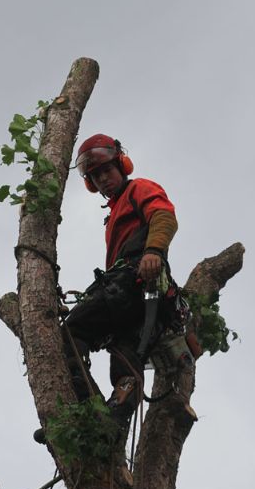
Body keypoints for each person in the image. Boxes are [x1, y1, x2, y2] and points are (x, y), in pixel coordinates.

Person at [61, 133, 179, 423]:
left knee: (70, 333)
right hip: (133, 296)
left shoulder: (138, 188)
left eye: (107, 170)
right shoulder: (113, 213)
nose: (103, 179)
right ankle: (108, 420)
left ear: (121, 165)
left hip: (134, 280)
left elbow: (163, 216)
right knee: (125, 363)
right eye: (96, 175)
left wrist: (153, 251)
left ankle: (86, 406)